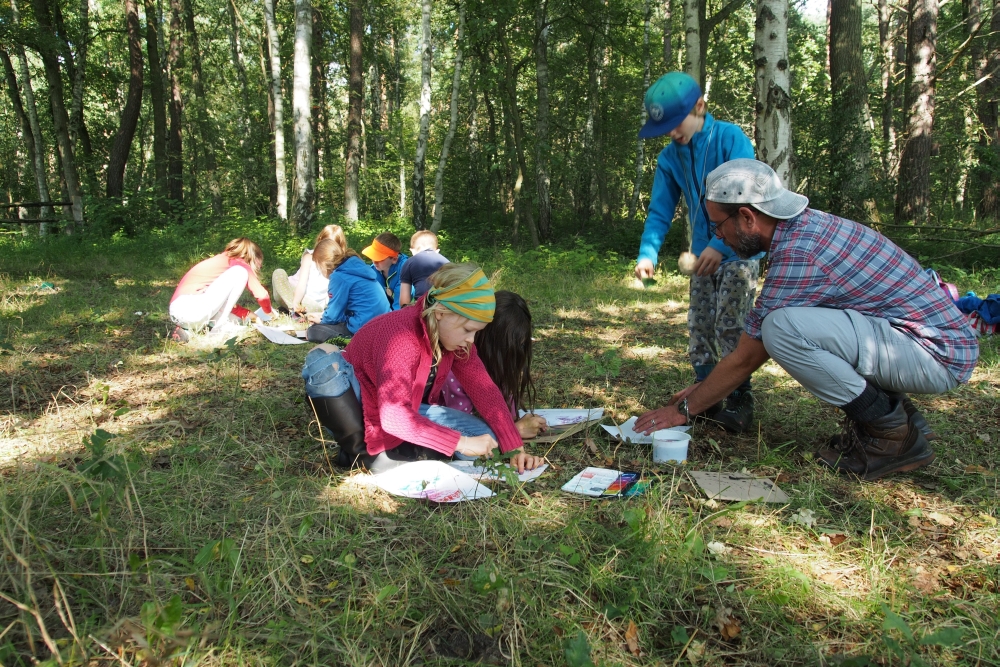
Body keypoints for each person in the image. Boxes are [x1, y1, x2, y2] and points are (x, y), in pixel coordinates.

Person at [635, 159, 979, 481]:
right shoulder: (806, 228)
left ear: (747, 217)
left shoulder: (799, 252)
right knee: (789, 323)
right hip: (924, 343)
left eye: (718, 225)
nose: (718, 235)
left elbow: (748, 355)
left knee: (780, 329)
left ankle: (890, 436)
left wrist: (685, 408)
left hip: (936, 355)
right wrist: (703, 390)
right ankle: (901, 415)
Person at [301, 263, 545, 474]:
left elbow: (485, 391)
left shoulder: (454, 341)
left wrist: (514, 447)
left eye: (476, 332)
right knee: (323, 363)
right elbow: (394, 416)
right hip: (361, 400)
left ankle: (401, 451)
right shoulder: (401, 337)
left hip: (403, 409)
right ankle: (362, 453)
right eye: (468, 330)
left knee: (483, 437)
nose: (471, 340)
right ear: (440, 313)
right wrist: (460, 443)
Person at [634, 71, 760, 433]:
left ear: (700, 107)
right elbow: (660, 211)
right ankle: (707, 393)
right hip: (702, 257)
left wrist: (721, 246)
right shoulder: (670, 159)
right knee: (700, 324)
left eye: (678, 123)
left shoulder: (729, 138)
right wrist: (648, 253)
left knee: (730, 324)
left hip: (739, 255)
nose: (674, 133)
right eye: (667, 127)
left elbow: (747, 194)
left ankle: (739, 396)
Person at [439, 291, 548, 439]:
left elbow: (506, 415)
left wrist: (524, 424)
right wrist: (515, 431)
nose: (517, 355)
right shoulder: (457, 370)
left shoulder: (502, 367)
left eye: (522, 345)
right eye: (510, 349)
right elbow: (463, 433)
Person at [169, 237, 273, 341]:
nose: (260, 267)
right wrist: (269, 313)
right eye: (260, 264)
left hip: (180, 312)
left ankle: (189, 331)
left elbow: (224, 304)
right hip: (190, 307)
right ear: (254, 257)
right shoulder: (238, 262)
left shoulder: (222, 262)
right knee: (240, 272)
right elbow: (261, 295)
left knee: (238, 320)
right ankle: (218, 329)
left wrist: (252, 316)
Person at [305, 239, 390, 342]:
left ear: (323, 264)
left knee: (313, 331)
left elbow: (333, 317)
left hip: (364, 328)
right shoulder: (356, 269)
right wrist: (323, 315)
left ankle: (351, 342)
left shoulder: (339, 277)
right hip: (383, 325)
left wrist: (321, 319)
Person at [271, 225, 346, 315]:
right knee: (278, 273)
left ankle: (292, 310)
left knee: (315, 308)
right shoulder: (309, 257)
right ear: (320, 241)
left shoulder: (340, 264)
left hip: (313, 305)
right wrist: (296, 302)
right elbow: (301, 285)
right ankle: (292, 308)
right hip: (295, 295)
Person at [400, 230, 450, 306]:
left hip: (423, 305)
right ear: (437, 251)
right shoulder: (447, 263)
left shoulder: (409, 263)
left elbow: (404, 301)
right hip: (445, 306)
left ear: (412, 251)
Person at [362, 232, 408, 310]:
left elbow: (401, 305)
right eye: (373, 256)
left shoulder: (405, 269)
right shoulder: (373, 270)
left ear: (394, 259)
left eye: (379, 258)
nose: (374, 261)